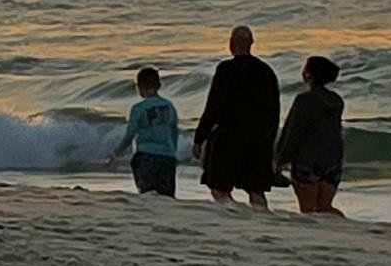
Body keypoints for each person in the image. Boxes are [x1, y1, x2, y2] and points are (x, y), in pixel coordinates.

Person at [196, 25, 280, 207]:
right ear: (251, 43)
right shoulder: (266, 71)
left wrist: (199, 137)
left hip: (228, 136)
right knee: (256, 189)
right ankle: (260, 220)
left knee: (219, 187)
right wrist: (271, 141)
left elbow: (213, 106)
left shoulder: (226, 69)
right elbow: (275, 111)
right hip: (258, 138)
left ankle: (234, 214)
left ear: (233, 44)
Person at [278, 54, 345, 216]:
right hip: (333, 159)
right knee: (325, 207)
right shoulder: (336, 100)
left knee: (308, 210)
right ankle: (343, 228)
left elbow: (293, 131)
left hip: (307, 160)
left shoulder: (304, 100)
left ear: (308, 74)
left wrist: (280, 159)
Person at [116, 67, 179, 197]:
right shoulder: (169, 106)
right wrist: (173, 150)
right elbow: (174, 130)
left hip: (146, 155)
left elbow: (130, 134)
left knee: (148, 195)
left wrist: (117, 152)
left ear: (139, 87)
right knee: (167, 196)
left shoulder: (139, 108)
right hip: (167, 156)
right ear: (159, 85)